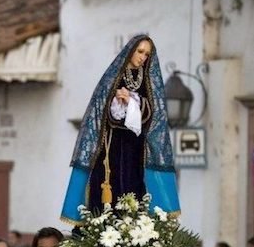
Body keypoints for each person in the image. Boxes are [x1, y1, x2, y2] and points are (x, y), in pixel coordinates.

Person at [61, 35, 180, 224]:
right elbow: (101, 112)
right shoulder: (113, 78)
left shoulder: (147, 81)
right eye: (140, 52)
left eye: (147, 54)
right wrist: (118, 102)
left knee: (135, 188)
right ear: (130, 51)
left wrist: (134, 101)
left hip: (136, 148)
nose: (142, 57)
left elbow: (154, 114)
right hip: (111, 146)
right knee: (110, 189)